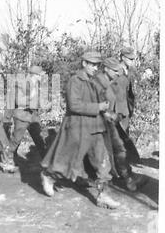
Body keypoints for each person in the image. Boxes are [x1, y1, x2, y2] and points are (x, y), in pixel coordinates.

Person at [40, 51, 120, 209]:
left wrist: (106, 112)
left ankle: (103, 195)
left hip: (96, 126)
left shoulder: (94, 81)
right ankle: (49, 176)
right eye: (92, 64)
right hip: (78, 127)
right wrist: (98, 107)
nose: (95, 68)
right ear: (84, 64)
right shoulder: (74, 81)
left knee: (103, 161)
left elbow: (100, 102)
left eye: (97, 65)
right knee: (69, 160)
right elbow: (74, 105)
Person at [93, 57, 145, 192]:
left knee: (119, 149)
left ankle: (128, 178)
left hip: (110, 121)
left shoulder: (109, 80)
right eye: (115, 70)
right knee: (108, 152)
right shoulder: (97, 82)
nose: (118, 72)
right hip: (99, 123)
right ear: (106, 69)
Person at [8, 65, 47, 164]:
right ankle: (9, 159)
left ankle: (46, 161)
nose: (42, 77)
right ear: (35, 75)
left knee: (39, 139)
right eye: (40, 75)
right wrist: (31, 96)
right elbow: (19, 100)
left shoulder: (37, 85)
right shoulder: (21, 84)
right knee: (16, 139)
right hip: (22, 115)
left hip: (33, 116)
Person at [113, 47, 136, 134]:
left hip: (125, 109)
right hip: (117, 110)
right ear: (123, 58)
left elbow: (129, 92)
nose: (132, 61)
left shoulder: (129, 71)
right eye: (130, 59)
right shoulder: (116, 71)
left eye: (132, 59)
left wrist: (130, 107)